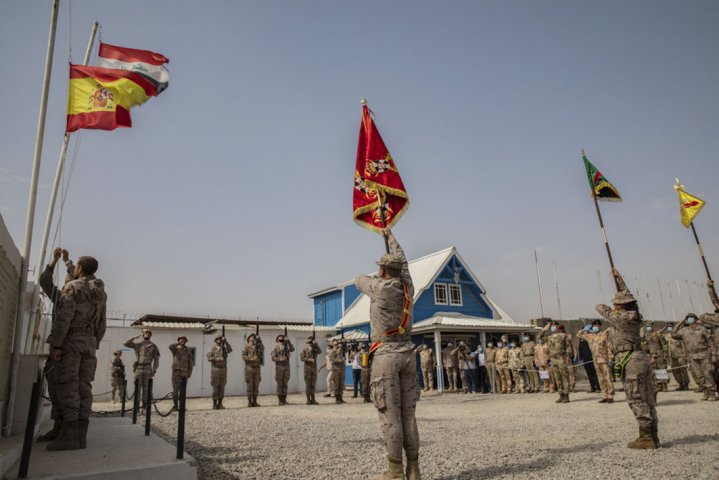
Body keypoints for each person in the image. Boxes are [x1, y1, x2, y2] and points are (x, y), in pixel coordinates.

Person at [355, 229, 420, 480]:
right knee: (409, 416)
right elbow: (402, 260)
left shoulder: (378, 287)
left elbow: (357, 279)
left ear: (382, 271)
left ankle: (394, 472)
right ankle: (414, 470)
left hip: (385, 355)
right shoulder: (407, 287)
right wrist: (390, 234)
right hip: (407, 353)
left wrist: (375, 275)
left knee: (390, 415)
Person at [46, 254, 107, 451]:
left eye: (76, 266)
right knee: (83, 385)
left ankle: (70, 435)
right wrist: (93, 342)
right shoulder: (99, 292)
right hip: (89, 342)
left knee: (67, 384)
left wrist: (57, 345)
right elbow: (103, 322)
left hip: (71, 341)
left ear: (80, 268)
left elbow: (65, 318)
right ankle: (80, 435)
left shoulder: (73, 287)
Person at [596, 268, 659, 448]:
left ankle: (646, 437)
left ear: (621, 306)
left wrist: (615, 304)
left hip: (630, 359)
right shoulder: (635, 314)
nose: (614, 306)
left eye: (617, 304)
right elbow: (627, 298)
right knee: (646, 397)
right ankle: (653, 435)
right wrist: (620, 281)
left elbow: (600, 307)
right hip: (639, 357)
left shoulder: (621, 317)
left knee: (636, 397)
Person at [37, 247, 76, 442]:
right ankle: (60, 427)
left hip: (64, 348)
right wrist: (58, 260)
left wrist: (62, 262)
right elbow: (45, 281)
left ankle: (65, 430)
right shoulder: (62, 297)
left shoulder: (69, 298)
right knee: (56, 387)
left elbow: (46, 282)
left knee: (62, 388)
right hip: (68, 348)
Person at [672, 313, 716, 401]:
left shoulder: (702, 329)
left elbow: (710, 342)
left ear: (696, 319)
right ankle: (705, 393)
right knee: (699, 375)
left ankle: (712, 393)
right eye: (688, 318)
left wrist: (714, 355)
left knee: (707, 374)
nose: (689, 319)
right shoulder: (684, 330)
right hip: (692, 356)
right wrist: (680, 323)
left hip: (704, 355)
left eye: (691, 318)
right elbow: (673, 334)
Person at [577, 320, 614, 402]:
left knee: (607, 378)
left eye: (597, 325)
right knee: (601, 379)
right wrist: (585, 330)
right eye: (594, 326)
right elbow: (579, 335)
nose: (595, 327)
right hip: (596, 360)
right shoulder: (590, 336)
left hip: (604, 360)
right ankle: (605, 395)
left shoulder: (604, 334)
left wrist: (610, 358)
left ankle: (610, 396)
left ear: (600, 326)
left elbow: (609, 347)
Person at [124, 330, 160, 411]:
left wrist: (154, 370)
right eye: (145, 333)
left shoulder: (153, 346)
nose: (147, 334)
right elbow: (125, 344)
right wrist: (134, 338)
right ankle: (136, 406)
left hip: (148, 369)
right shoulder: (138, 345)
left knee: (146, 388)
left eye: (149, 333)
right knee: (137, 387)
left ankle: (144, 406)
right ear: (143, 335)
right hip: (139, 368)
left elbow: (156, 360)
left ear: (150, 335)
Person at [539, 322, 571, 403]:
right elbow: (539, 336)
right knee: (557, 378)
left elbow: (568, 346)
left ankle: (566, 395)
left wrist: (567, 357)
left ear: (557, 327)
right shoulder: (549, 337)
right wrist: (544, 329)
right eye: (551, 326)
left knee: (564, 376)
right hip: (553, 359)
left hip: (561, 358)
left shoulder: (563, 335)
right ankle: (561, 395)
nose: (553, 327)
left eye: (554, 326)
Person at [661, 323, 689, 391]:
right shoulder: (666, 336)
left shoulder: (679, 335)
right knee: (675, 371)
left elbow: (684, 345)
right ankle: (680, 384)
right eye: (668, 327)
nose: (669, 328)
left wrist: (686, 355)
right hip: (672, 356)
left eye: (671, 326)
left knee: (683, 370)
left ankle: (686, 384)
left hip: (681, 355)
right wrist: (664, 327)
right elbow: (658, 333)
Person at [207, 335, 232, 409]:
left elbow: (230, 350)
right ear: (215, 340)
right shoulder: (212, 348)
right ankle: (214, 404)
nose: (219, 340)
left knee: (222, 386)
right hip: (215, 369)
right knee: (215, 387)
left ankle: (220, 403)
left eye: (220, 339)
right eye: (218, 339)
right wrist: (217, 359)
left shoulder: (224, 348)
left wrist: (226, 342)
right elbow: (209, 357)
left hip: (223, 369)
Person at [169, 336, 195, 410]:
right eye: (181, 340)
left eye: (184, 340)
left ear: (186, 341)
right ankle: (175, 406)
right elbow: (170, 346)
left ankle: (182, 406)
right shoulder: (175, 349)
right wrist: (178, 343)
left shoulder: (188, 350)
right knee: (175, 390)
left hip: (184, 372)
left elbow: (190, 363)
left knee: (183, 390)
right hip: (176, 372)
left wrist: (189, 373)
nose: (182, 341)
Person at [643, 325, 669, 393]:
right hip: (651, 355)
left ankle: (664, 386)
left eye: (649, 326)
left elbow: (664, 344)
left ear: (653, 326)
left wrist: (665, 353)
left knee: (661, 369)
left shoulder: (658, 334)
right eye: (647, 326)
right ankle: (658, 385)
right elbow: (646, 346)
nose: (648, 328)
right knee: (654, 370)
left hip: (659, 354)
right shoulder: (646, 336)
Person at [271, 333, 295, 405]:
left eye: (282, 340)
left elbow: (292, 349)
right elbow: (273, 357)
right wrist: (280, 359)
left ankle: (284, 400)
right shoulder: (275, 348)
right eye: (280, 340)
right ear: (277, 341)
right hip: (279, 368)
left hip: (286, 367)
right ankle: (280, 400)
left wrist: (288, 341)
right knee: (280, 384)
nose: (281, 341)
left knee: (285, 384)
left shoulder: (287, 347)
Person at [241, 333, 264, 407]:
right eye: (252, 337)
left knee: (256, 385)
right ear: (249, 338)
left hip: (257, 367)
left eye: (254, 337)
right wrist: (251, 359)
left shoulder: (257, 346)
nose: (253, 338)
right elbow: (243, 356)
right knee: (250, 385)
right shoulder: (246, 347)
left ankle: (255, 401)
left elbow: (262, 348)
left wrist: (259, 340)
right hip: (249, 367)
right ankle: (249, 402)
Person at [300, 336, 322, 404]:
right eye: (309, 342)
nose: (310, 343)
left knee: (313, 384)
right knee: (308, 384)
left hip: (314, 368)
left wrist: (317, 345)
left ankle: (313, 399)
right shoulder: (304, 349)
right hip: (307, 368)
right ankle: (308, 400)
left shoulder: (315, 349)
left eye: (311, 342)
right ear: (307, 342)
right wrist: (308, 359)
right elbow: (301, 358)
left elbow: (320, 351)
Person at [327, 338, 346, 404]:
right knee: (336, 384)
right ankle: (337, 399)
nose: (336, 345)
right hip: (336, 369)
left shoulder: (340, 350)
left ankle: (340, 398)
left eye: (337, 344)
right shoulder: (332, 351)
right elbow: (333, 360)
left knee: (341, 384)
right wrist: (340, 360)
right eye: (335, 344)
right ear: (332, 344)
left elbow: (345, 350)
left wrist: (344, 344)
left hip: (342, 369)